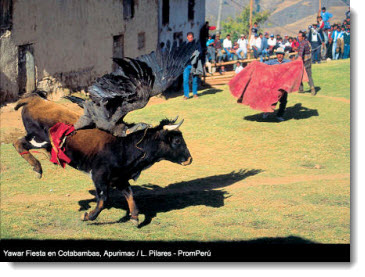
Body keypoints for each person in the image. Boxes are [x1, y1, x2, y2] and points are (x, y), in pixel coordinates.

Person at [263, 47, 291, 121]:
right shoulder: (272, 62)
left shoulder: (287, 62)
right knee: (271, 99)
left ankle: (279, 115)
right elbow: (263, 65)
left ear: (283, 55)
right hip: (274, 84)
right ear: (276, 55)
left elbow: (295, 65)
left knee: (283, 100)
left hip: (284, 85)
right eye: (278, 54)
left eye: (281, 54)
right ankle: (267, 111)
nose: (280, 56)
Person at [183, 32, 202, 99]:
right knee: (185, 80)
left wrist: (195, 53)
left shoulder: (197, 44)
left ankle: (195, 94)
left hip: (194, 64)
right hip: (186, 65)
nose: (190, 38)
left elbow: (200, 52)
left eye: (191, 37)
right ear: (187, 38)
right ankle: (186, 95)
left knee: (195, 80)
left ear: (193, 37)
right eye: (189, 37)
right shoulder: (185, 45)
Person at [297, 31, 316, 95]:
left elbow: (300, 54)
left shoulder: (302, 43)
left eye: (299, 36)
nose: (298, 37)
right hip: (309, 60)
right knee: (308, 75)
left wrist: (296, 60)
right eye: (298, 36)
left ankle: (303, 89)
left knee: (301, 74)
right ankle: (311, 88)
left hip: (304, 61)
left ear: (303, 37)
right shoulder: (307, 42)